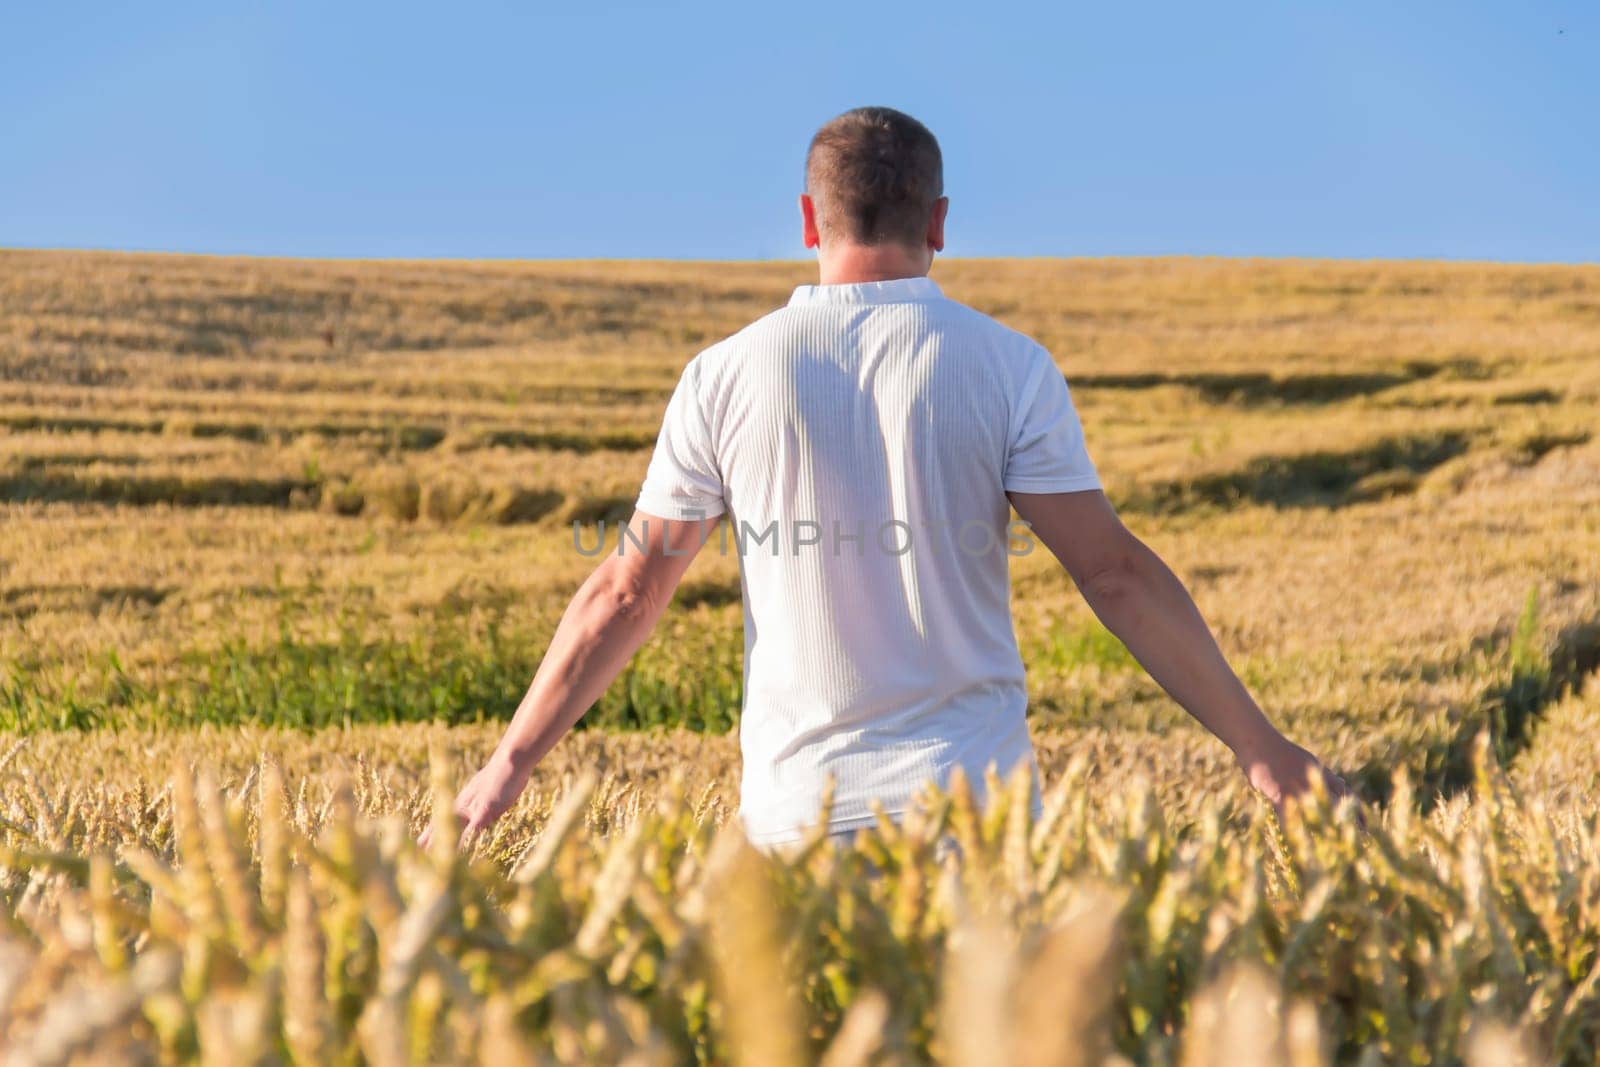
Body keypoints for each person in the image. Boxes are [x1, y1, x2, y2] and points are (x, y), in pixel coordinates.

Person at [423, 106, 1351, 854]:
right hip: (977, 822)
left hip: (798, 824)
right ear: (940, 221)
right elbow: (1115, 575)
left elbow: (627, 591)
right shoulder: (1010, 367)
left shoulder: (725, 374)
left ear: (805, 221)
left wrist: (509, 761)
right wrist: (1258, 746)